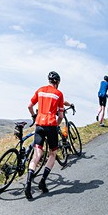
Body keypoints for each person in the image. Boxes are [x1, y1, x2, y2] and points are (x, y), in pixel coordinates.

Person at [25, 71, 65, 200]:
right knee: (53, 154)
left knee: (37, 155)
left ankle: (28, 184)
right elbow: (60, 116)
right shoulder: (59, 94)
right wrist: (57, 125)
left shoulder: (40, 90)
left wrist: (34, 116)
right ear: (57, 82)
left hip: (39, 125)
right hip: (51, 126)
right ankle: (42, 181)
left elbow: (30, 105)